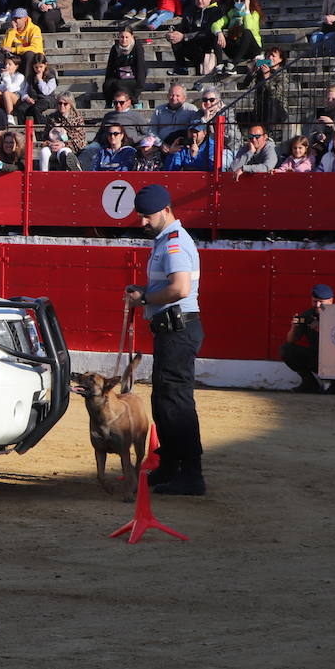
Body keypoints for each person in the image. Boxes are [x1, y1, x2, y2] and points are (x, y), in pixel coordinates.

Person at [124, 184, 205, 496]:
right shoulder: (166, 240)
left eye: (147, 216)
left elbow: (180, 289)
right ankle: (171, 466)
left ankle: (192, 475)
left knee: (176, 403)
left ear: (166, 210)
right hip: (173, 330)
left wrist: (145, 299)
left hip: (178, 330)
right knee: (164, 401)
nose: (143, 221)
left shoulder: (173, 243)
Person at [281, 283, 334, 393]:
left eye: (321, 302)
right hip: (316, 358)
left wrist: (323, 329)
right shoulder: (306, 316)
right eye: (315, 301)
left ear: (330, 301)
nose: (318, 305)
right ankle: (309, 383)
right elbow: (291, 340)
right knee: (286, 350)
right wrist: (294, 328)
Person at [167, 0, 223, 76]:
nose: (200, 1)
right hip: (192, 45)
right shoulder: (190, 10)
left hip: (207, 46)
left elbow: (208, 32)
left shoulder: (216, 11)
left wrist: (184, 36)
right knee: (175, 38)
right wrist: (172, 34)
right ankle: (181, 67)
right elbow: (183, 28)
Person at [210, 0, 263, 76]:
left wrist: (246, 10)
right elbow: (215, 25)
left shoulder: (254, 14)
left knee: (247, 32)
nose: (239, 2)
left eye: (242, 0)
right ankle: (219, 65)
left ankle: (233, 65)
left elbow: (249, 27)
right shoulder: (231, 13)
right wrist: (219, 33)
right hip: (236, 48)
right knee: (217, 34)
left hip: (251, 48)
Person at [102, 26, 146, 104]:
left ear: (131, 37)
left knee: (119, 85)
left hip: (133, 77)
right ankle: (109, 104)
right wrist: (107, 81)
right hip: (119, 76)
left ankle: (134, 101)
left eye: (127, 37)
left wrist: (139, 87)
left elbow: (141, 68)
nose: (124, 40)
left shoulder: (137, 47)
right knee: (107, 85)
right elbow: (110, 67)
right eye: (122, 37)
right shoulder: (115, 48)